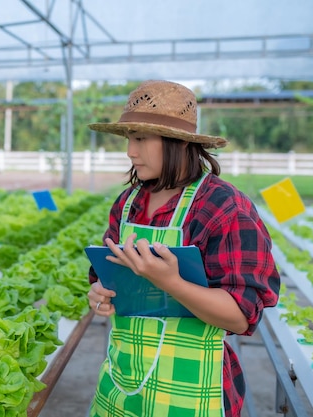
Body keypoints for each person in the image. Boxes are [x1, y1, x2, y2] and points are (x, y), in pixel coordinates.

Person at [85, 80, 280, 417]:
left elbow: (239, 317)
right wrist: (100, 294)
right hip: (121, 383)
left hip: (189, 393)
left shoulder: (223, 207)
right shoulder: (128, 202)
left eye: (141, 138)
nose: (131, 151)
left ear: (177, 143)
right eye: (130, 138)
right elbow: (103, 279)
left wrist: (171, 282)